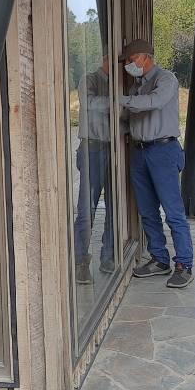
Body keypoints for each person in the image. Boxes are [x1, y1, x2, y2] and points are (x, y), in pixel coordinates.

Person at [119, 39, 195, 289]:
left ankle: (184, 265)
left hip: (163, 150)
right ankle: (160, 260)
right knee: (147, 211)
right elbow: (128, 118)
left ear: (144, 57)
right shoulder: (135, 87)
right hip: (139, 152)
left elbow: (154, 103)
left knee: (173, 212)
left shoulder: (166, 79)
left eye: (131, 61)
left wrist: (118, 100)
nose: (129, 66)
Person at [74, 55, 115, 285]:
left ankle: (107, 257)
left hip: (114, 149)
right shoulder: (88, 80)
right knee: (86, 208)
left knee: (114, 206)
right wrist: (119, 101)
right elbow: (91, 104)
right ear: (106, 59)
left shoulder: (120, 84)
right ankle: (80, 262)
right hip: (92, 149)